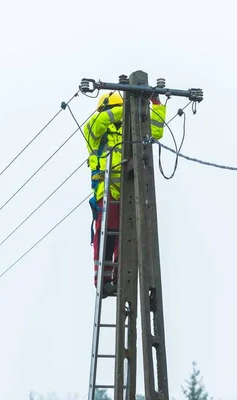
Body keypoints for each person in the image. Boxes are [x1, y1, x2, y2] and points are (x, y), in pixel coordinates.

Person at [83, 90, 166, 297]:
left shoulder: (131, 130)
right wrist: (130, 107)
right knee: (108, 233)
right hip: (107, 188)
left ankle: (121, 280)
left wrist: (156, 105)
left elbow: (155, 132)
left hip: (130, 189)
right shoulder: (96, 129)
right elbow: (101, 121)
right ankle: (102, 280)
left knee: (128, 236)